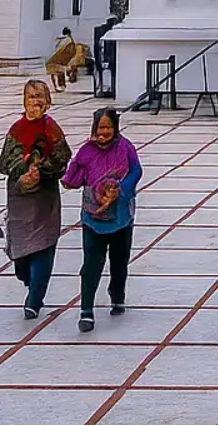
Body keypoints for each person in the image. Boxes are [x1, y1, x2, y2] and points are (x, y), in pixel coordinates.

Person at [62, 107, 141, 332]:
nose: (103, 132)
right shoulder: (87, 150)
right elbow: (74, 174)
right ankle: (86, 310)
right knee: (91, 265)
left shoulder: (125, 147)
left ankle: (117, 294)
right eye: (99, 128)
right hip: (92, 217)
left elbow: (136, 171)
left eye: (107, 127)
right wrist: (68, 177)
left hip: (120, 216)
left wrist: (121, 189)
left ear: (115, 128)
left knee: (119, 261)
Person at [0, 80, 70, 320]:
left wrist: (43, 171)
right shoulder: (16, 129)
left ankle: (34, 300)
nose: (35, 101)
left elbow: (63, 157)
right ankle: (29, 280)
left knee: (43, 244)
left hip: (44, 197)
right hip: (20, 197)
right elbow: (5, 163)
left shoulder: (52, 129)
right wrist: (24, 170)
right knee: (21, 255)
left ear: (47, 102)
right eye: (30, 96)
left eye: (40, 96)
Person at [45, 27, 88, 92]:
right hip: (62, 59)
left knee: (54, 73)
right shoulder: (69, 40)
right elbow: (70, 50)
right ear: (69, 33)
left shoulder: (57, 39)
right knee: (60, 72)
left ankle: (57, 86)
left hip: (53, 59)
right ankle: (61, 85)